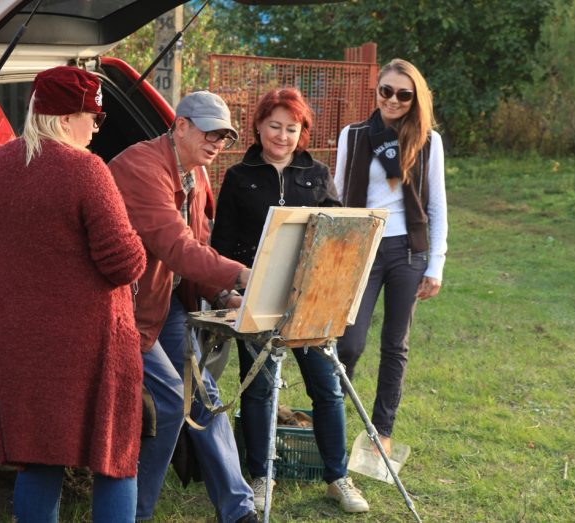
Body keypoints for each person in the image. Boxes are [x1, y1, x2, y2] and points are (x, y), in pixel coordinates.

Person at [0, 66, 147, 522]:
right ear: (62, 119)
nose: (97, 128)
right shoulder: (87, 171)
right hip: (91, 347)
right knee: (116, 458)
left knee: (40, 459)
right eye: (91, 118)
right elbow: (124, 264)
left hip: (18, 347)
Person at [210, 87, 370, 514]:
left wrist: (334, 287)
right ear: (259, 126)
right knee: (259, 388)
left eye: (291, 128)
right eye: (274, 126)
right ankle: (261, 476)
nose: (282, 135)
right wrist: (226, 289)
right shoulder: (237, 177)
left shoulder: (317, 175)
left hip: (311, 301)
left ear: (302, 133)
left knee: (327, 387)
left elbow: (340, 233)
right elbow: (221, 240)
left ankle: (338, 477)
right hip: (256, 295)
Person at [108, 91, 259, 523]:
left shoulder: (195, 173)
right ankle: (134, 513)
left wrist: (220, 295)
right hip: (126, 309)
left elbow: (197, 244)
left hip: (164, 303)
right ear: (180, 126)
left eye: (225, 137)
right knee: (173, 402)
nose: (217, 143)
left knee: (204, 397)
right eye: (210, 132)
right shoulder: (142, 166)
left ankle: (239, 511)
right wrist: (244, 276)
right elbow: (175, 248)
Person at [334, 58, 448, 457]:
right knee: (348, 343)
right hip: (359, 246)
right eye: (387, 91)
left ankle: (381, 431)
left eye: (404, 94)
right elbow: (337, 192)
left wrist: (435, 264)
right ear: (377, 91)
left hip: (407, 251)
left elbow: (438, 208)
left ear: (415, 98)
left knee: (395, 345)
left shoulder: (428, 141)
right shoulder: (353, 135)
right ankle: (331, 417)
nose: (394, 100)